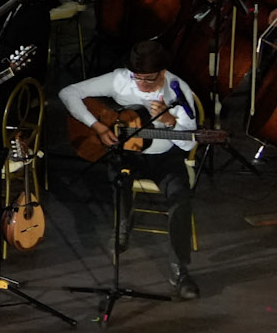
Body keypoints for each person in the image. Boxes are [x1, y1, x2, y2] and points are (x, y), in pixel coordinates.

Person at [57, 39, 199, 299]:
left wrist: (170, 123)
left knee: (180, 199)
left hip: (164, 158)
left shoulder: (178, 90)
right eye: (138, 78)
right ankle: (123, 223)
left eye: (148, 79)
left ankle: (180, 271)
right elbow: (68, 93)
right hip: (129, 154)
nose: (141, 84)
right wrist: (97, 126)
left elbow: (189, 139)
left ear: (163, 72)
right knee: (118, 177)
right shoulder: (120, 79)